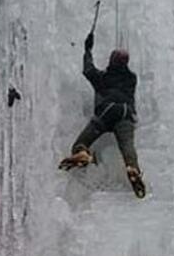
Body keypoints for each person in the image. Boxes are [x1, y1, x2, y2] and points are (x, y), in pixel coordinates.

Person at [60, 33, 146, 197]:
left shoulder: (103, 78)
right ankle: (132, 167)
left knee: (81, 142)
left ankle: (83, 152)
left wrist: (88, 49)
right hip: (126, 114)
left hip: (107, 112)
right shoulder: (131, 78)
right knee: (127, 147)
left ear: (111, 61)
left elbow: (88, 70)